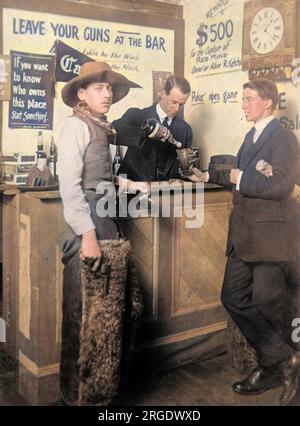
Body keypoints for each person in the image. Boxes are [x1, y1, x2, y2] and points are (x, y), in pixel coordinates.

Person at [190, 78, 300, 406]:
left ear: (269, 103)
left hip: (270, 236)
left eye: (249, 99)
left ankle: (277, 365)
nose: (244, 105)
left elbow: (281, 185)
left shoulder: (283, 138)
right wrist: (210, 176)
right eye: (243, 99)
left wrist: (241, 178)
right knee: (232, 296)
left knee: (267, 300)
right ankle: (281, 360)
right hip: (245, 234)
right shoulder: (251, 135)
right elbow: (241, 174)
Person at [58, 61, 147, 405]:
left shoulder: (103, 128)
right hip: (93, 225)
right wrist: (88, 235)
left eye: (109, 89)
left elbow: (101, 178)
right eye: (99, 88)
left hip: (110, 220)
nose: (107, 94)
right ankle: (77, 399)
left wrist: (133, 184)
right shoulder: (74, 127)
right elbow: (71, 186)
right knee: (88, 319)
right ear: (81, 94)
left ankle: (103, 398)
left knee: (112, 316)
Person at [112, 75, 193, 181]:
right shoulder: (137, 115)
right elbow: (112, 131)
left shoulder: (185, 130)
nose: (177, 108)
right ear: (163, 94)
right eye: (173, 102)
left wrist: (183, 176)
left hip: (164, 193)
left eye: (181, 104)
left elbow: (185, 169)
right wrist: (147, 132)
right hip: (130, 189)